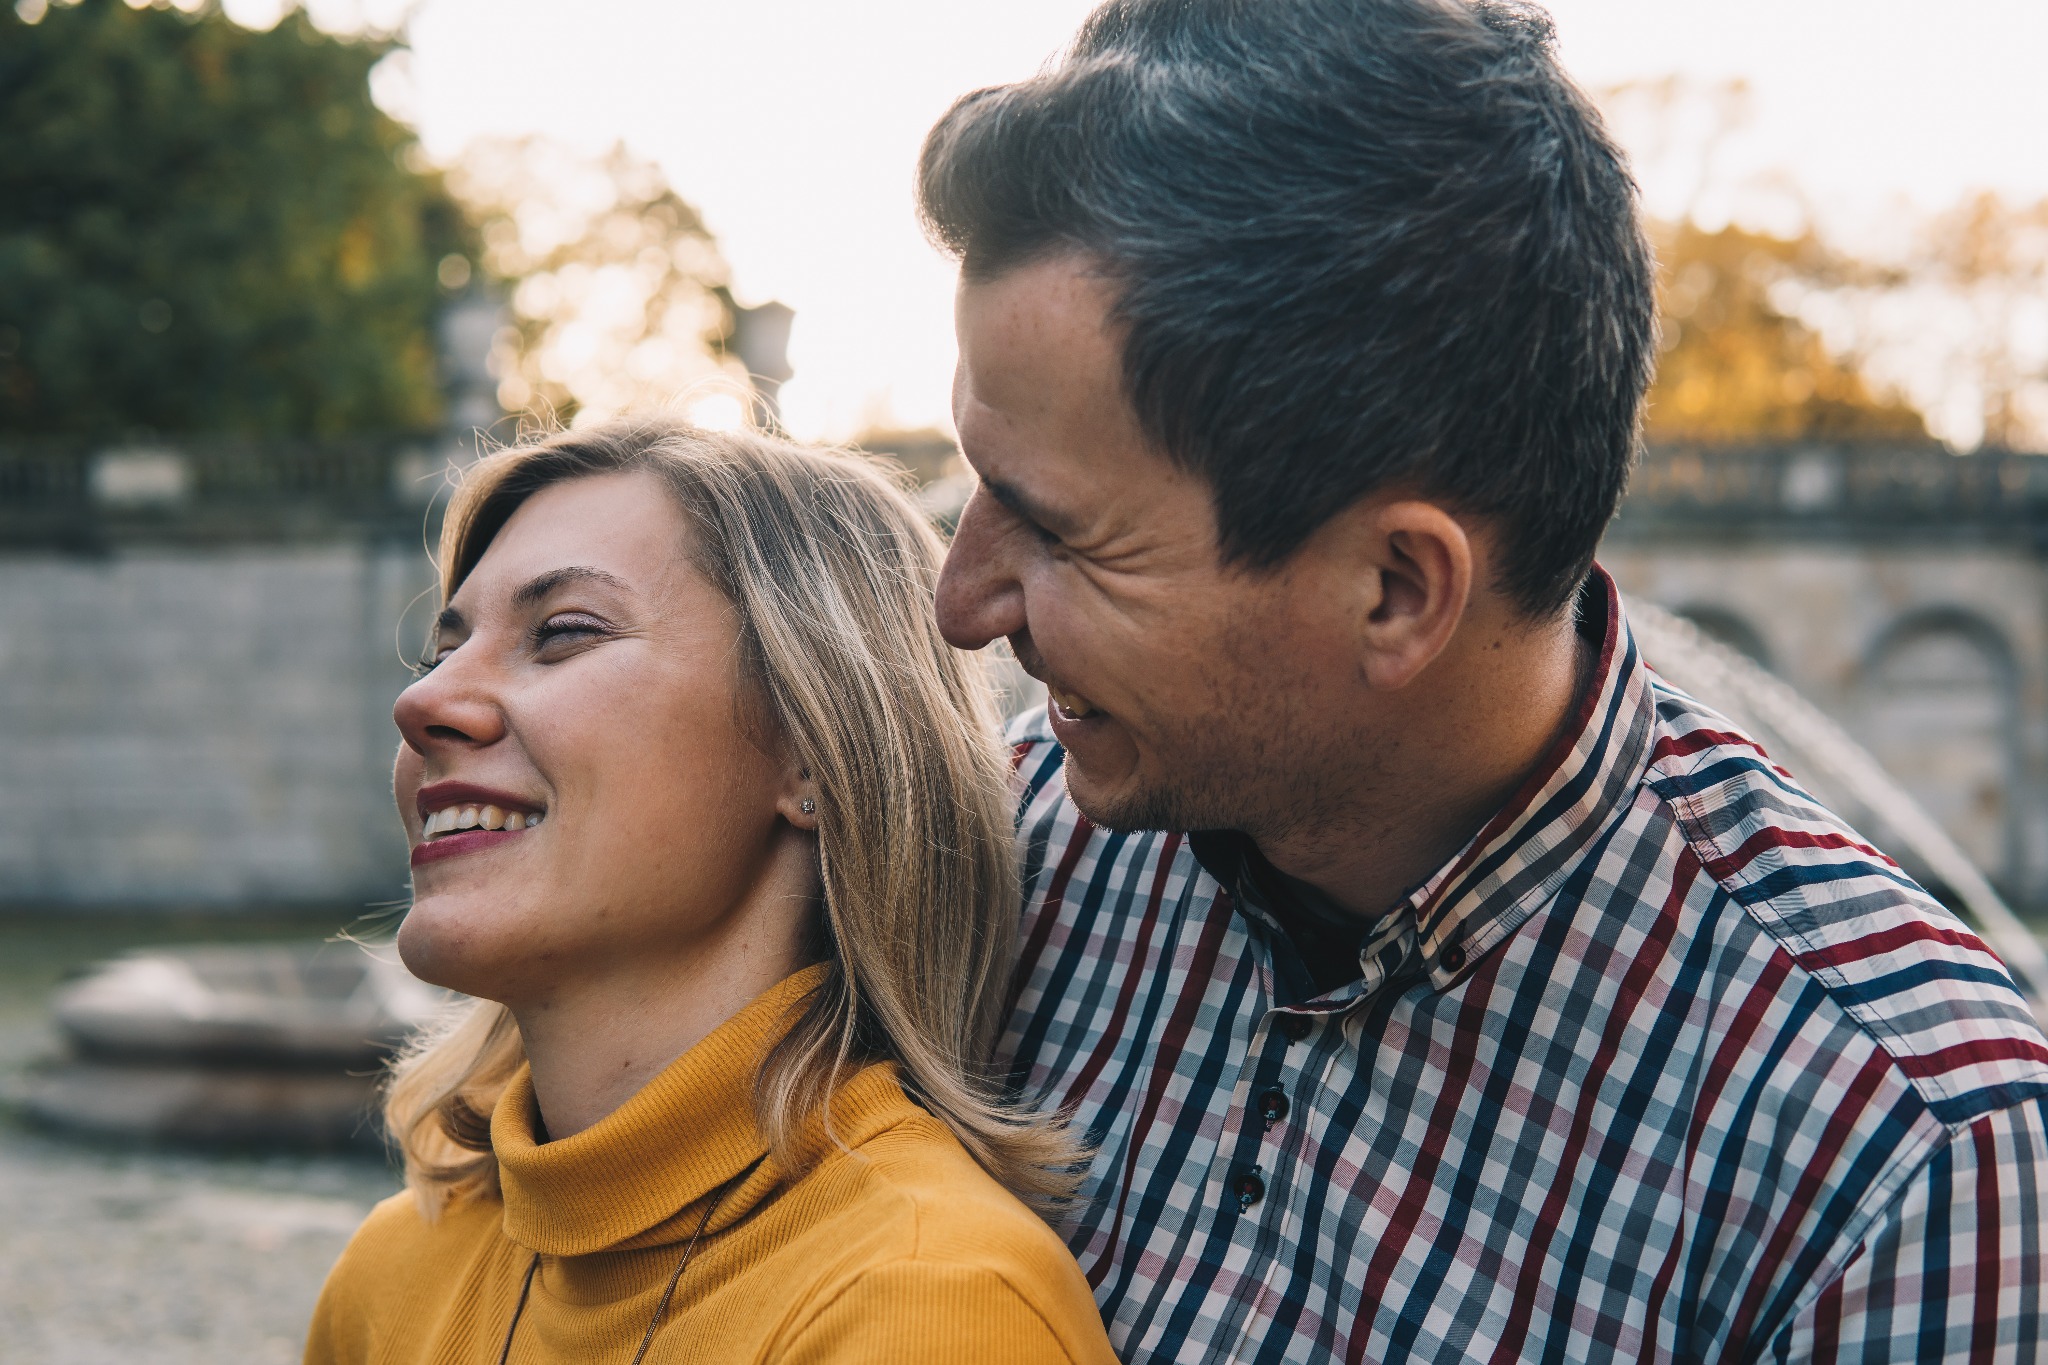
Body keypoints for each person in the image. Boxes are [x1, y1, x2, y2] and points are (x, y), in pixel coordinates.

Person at [918, 0, 2048, 1360]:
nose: (962, 601)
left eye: (1056, 528)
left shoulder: (1895, 1159)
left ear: (1396, 590)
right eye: (978, 486)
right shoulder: (1007, 860)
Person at [303, 419, 1118, 1365]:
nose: (422, 701)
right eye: (442, 651)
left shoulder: (929, 1307)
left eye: (563, 632)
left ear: (814, 746)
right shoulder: (392, 1269)